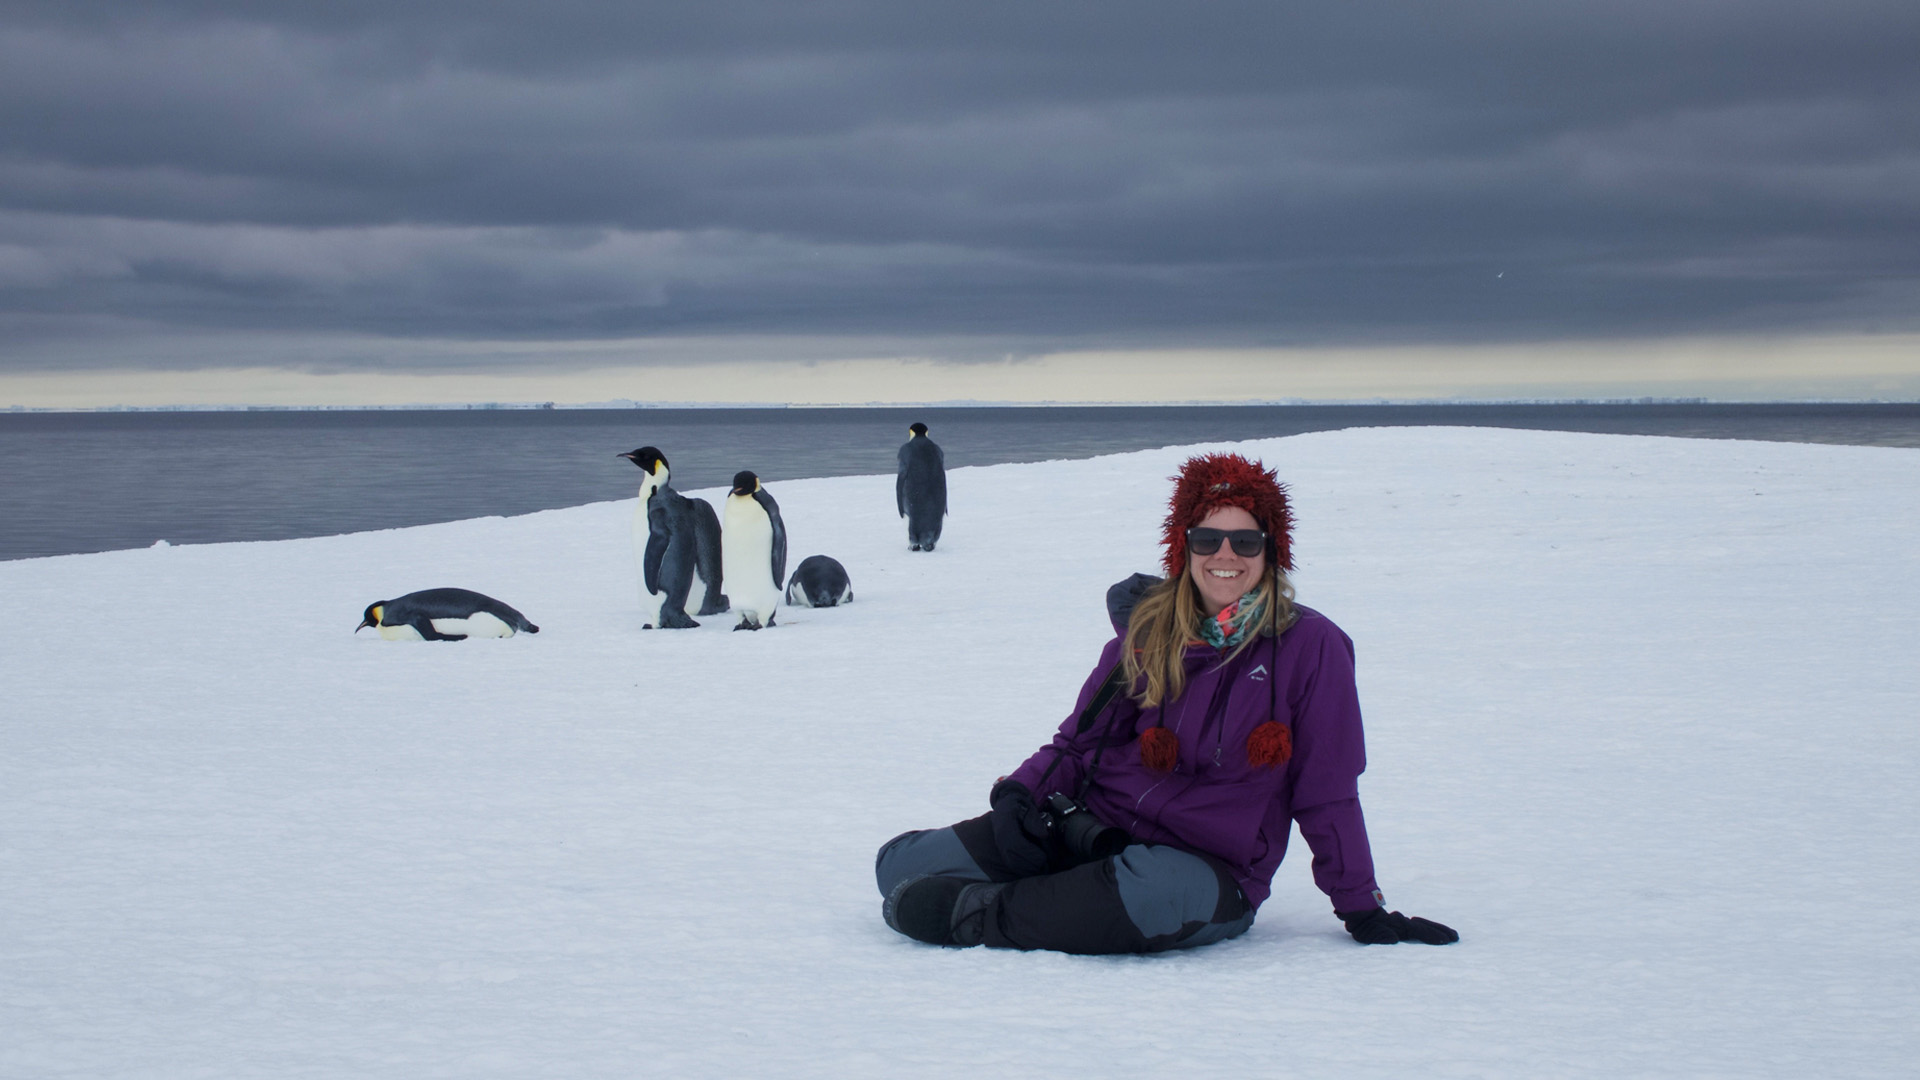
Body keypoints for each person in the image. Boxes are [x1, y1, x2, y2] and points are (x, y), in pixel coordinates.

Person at [875, 452, 1458, 954]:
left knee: (1151, 898)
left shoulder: (1312, 647)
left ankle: (982, 914)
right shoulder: (1149, 631)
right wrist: (1019, 800)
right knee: (898, 865)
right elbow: (1078, 743)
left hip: (1207, 866)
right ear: (1184, 548)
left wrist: (1360, 903)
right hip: (1100, 825)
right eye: (1208, 538)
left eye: (1245, 539)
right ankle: (1071, 887)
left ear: (1271, 551)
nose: (1225, 554)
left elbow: (1327, 789)